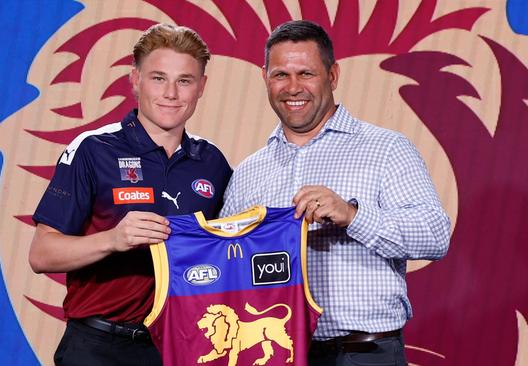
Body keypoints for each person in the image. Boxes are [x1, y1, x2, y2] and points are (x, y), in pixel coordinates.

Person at [220, 20, 450, 365]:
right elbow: (226, 261)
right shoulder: (249, 171)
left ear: (333, 75)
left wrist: (352, 215)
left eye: (306, 74)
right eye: (281, 74)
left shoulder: (386, 149)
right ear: (264, 77)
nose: (293, 87)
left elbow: (434, 236)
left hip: (364, 353)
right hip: (276, 353)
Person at [29, 23, 232, 366]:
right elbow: (41, 254)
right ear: (135, 80)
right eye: (158, 78)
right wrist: (113, 239)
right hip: (98, 346)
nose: (171, 93)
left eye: (184, 80)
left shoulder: (212, 162)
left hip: (179, 345)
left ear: (201, 87)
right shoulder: (94, 149)